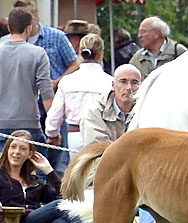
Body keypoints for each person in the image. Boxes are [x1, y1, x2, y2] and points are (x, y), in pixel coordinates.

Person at [0, 130, 128, 223]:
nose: (16, 152)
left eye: (22, 149)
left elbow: (65, 196)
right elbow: (59, 204)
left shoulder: (34, 181)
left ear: (30, 154)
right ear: (7, 149)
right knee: (58, 207)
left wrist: (49, 171)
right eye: (13, 147)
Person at [13, 0, 79, 178]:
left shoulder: (56, 37)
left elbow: (74, 64)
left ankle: (55, 194)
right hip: (26, 107)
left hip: (53, 104)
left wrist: (58, 81)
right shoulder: (9, 45)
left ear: (35, 16)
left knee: (57, 157)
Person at [45, 33, 113, 159]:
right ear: (100, 54)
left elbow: (54, 114)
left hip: (75, 135)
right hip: (102, 134)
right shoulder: (110, 82)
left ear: (80, 53)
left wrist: (52, 134)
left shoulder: (67, 81)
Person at [0, 7, 54, 154]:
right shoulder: (38, 54)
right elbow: (46, 93)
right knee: (39, 168)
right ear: (28, 28)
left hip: (1, 124)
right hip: (29, 123)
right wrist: (54, 128)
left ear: (9, 27)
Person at [79, 64, 141, 144]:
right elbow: (97, 148)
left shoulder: (147, 111)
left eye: (134, 83)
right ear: (113, 85)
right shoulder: (94, 112)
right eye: (123, 82)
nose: (128, 87)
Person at [129, 16, 187, 81]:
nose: (139, 36)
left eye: (143, 32)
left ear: (156, 33)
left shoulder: (178, 51)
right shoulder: (137, 58)